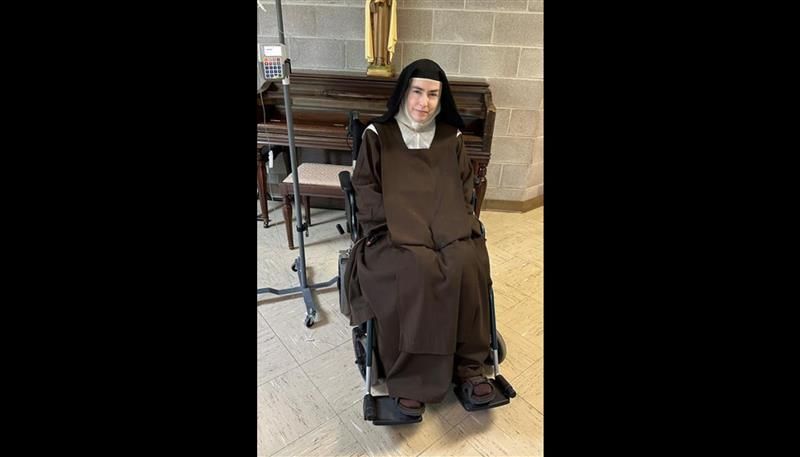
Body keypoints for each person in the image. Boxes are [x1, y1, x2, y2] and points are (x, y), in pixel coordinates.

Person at [346, 59, 495, 417]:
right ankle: (411, 377)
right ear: (403, 93)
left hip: (447, 228)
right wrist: (405, 228)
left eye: (432, 94)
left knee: (466, 260)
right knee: (416, 267)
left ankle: (468, 367)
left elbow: (464, 191)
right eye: (417, 92)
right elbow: (366, 192)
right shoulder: (378, 136)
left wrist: (451, 226)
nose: (423, 102)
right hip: (393, 232)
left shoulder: (450, 137)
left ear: (441, 99)